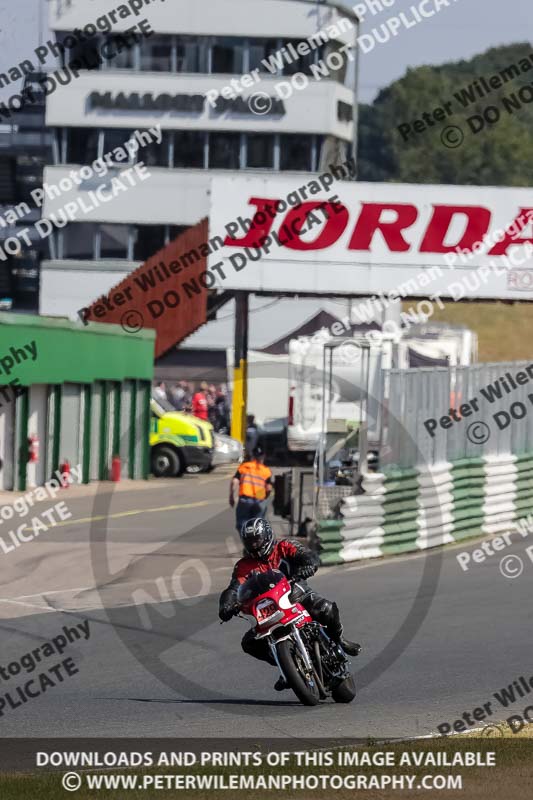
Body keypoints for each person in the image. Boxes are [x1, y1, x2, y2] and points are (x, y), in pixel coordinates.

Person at [218, 517, 360, 690]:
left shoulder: (284, 547)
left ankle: (340, 640)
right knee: (249, 643)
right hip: (266, 608)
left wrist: (309, 564)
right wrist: (226, 604)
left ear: (268, 535)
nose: (254, 545)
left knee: (326, 608)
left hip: (296, 594)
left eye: (257, 540)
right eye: (250, 541)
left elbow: (308, 555)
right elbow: (234, 588)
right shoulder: (244, 566)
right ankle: (287, 666)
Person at [230, 445, 272, 532]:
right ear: (263, 456)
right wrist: (264, 498)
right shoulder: (266, 470)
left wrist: (231, 496)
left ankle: (247, 543)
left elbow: (235, 481)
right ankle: (257, 543)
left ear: (252, 455)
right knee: (258, 525)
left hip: (245, 499)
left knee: (242, 524)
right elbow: (268, 488)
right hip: (259, 499)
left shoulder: (244, 467)